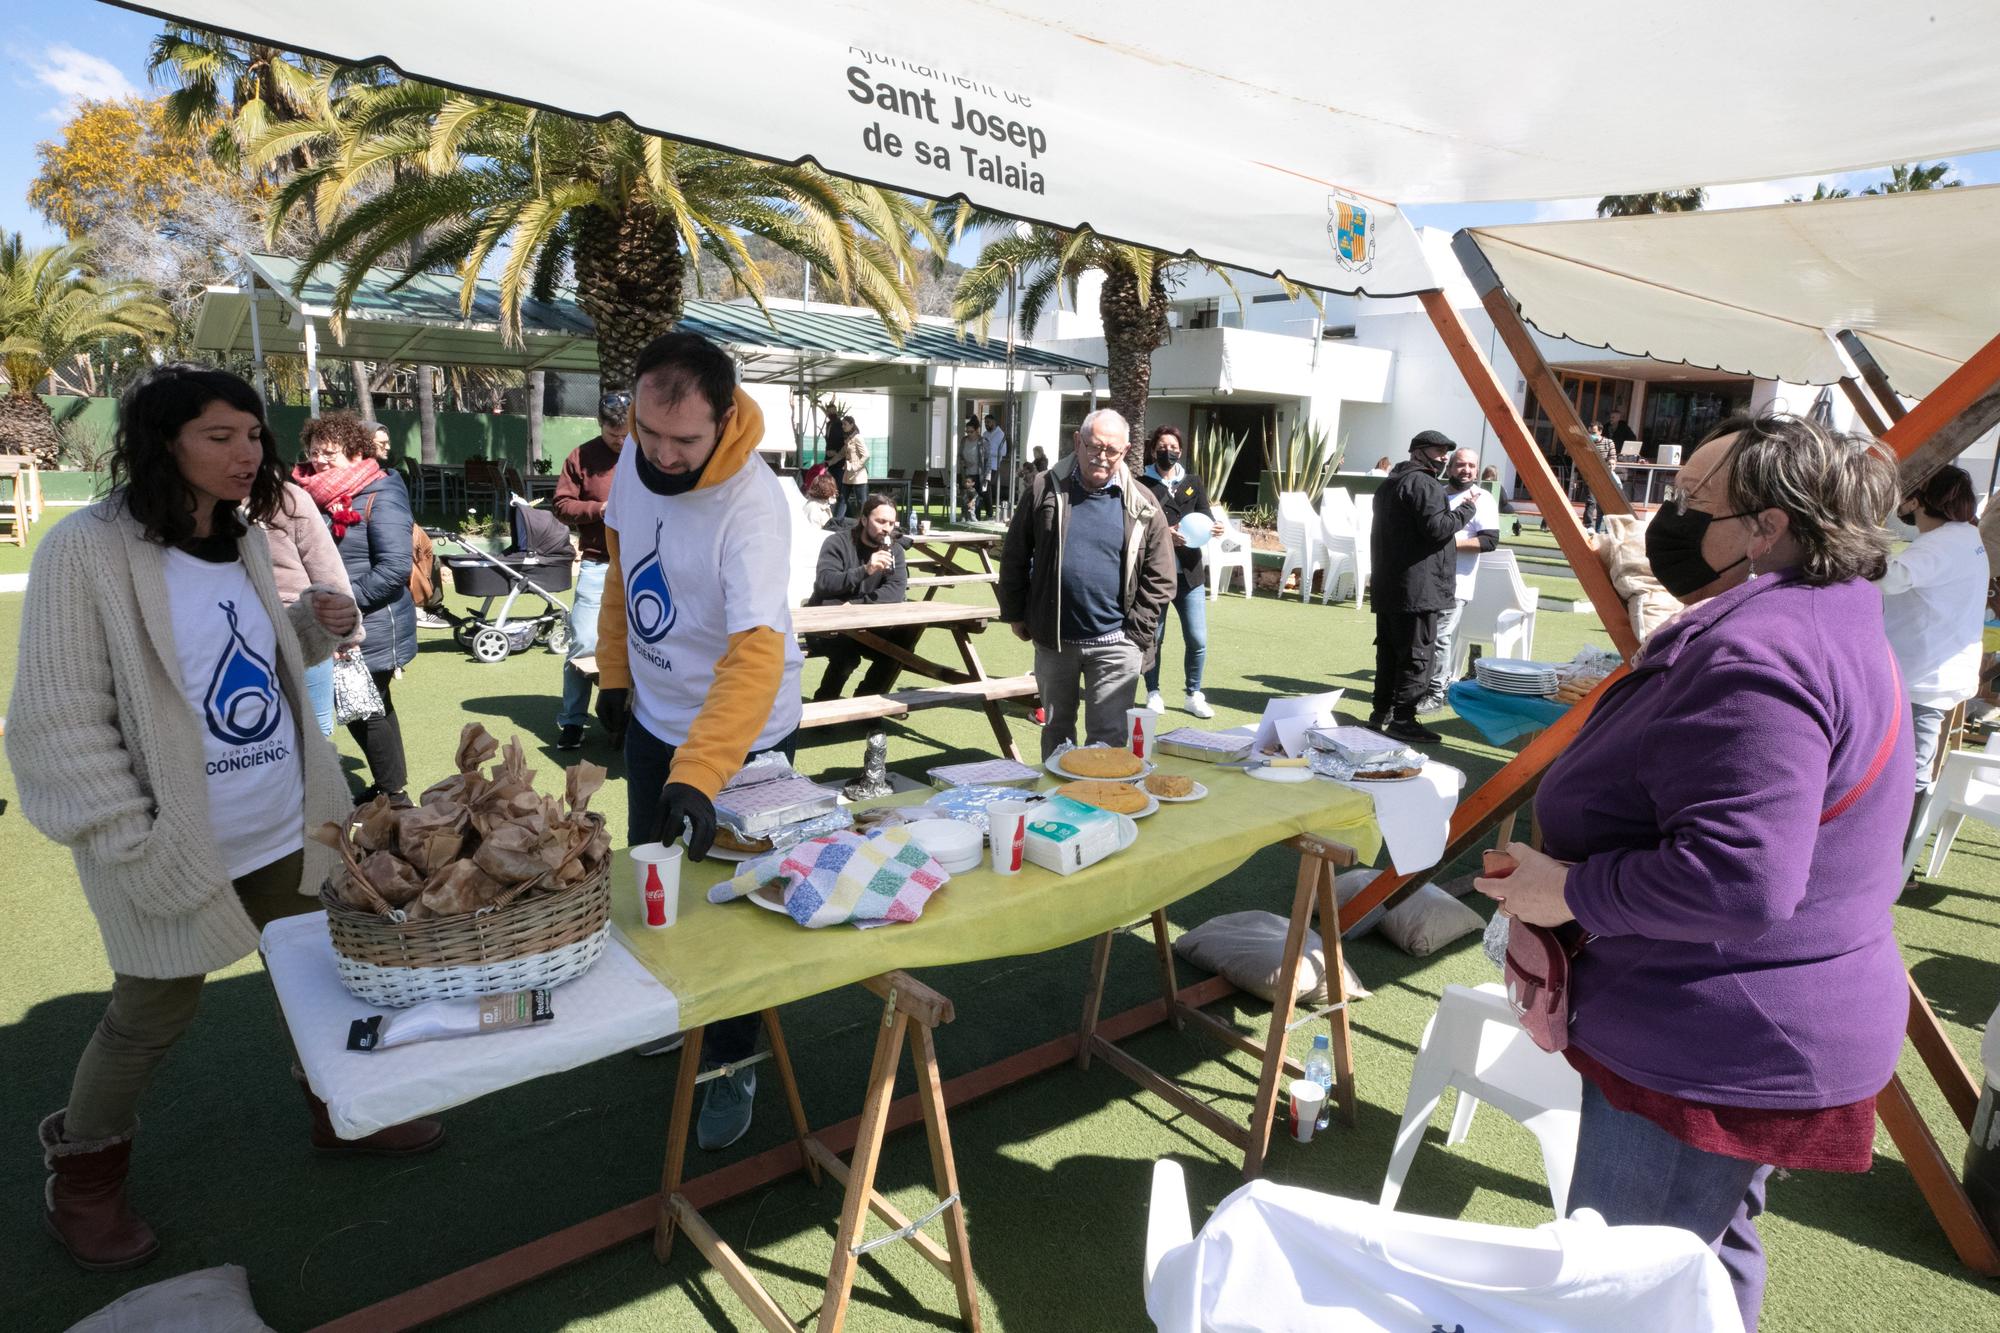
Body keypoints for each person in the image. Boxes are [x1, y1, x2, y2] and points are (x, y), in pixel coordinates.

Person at [1473, 413, 1910, 1332]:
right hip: (1748, 1024)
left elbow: (1740, 878)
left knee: (1622, 1279)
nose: (1664, 518)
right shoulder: (1819, 614)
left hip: (1712, 1041)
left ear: (1768, 527)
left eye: (1691, 502)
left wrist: (1570, 890)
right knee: (1706, 1257)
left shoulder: (1760, 650)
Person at [10, 365, 439, 1274]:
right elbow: (57, 717)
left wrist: (311, 628)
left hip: (285, 821)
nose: (246, 454)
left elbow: (242, 659)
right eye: (220, 436)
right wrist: (125, 838)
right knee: (149, 1011)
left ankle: (340, 1112)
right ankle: (82, 1177)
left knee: (315, 976)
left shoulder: (240, 536)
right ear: (164, 440)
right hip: (171, 840)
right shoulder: (85, 549)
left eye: (253, 435)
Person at [594, 332, 803, 1151]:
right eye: (647, 432)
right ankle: (668, 1007)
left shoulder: (754, 502)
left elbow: (755, 654)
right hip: (656, 722)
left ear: (724, 419)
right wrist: (615, 674)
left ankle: (730, 1057)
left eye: (684, 439)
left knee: (737, 909)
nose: (663, 454)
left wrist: (704, 771)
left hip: (745, 740)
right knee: (655, 885)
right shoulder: (633, 467)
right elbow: (621, 572)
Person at [1000, 408, 1175, 758]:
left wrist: (1135, 635)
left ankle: (1104, 811)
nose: (1102, 457)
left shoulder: (1143, 501)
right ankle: (1054, 809)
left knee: (1108, 744)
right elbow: (1015, 554)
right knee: (1057, 736)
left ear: (1125, 451)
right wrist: (1017, 614)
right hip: (1055, 641)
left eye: (1112, 450)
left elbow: (1161, 575)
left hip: (1116, 643)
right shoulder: (1044, 488)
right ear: (1077, 442)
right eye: (1095, 446)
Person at [295, 411, 417, 803]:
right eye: (315, 452)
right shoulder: (312, 495)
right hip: (341, 620)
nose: (319, 460)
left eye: (330, 453)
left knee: (368, 706)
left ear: (354, 452)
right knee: (368, 704)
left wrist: (342, 607)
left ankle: (394, 797)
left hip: (373, 620)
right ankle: (391, 788)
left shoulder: (381, 494)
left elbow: (395, 568)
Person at [1879, 464, 1988, 866]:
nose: (1903, 503)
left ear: (1924, 500)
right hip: (1932, 670)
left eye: (1911, 494)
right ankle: (1893, 857)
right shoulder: (1964, 536)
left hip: (1921, 677)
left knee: (1912, 774)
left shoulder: (1940, 544)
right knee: (1910, 768)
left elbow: (1892, 578)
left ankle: (1896, 862)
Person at [1369, 430, 1479, 744]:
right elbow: (1438, 528)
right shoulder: (1424, 483)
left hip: (1390, 585)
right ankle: (1403, 718)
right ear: (1418, 452)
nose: (1444, 458)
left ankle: (1381, 714)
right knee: (1416, 656)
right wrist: (1466, 509)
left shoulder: (1389, 483)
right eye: (1439, 451)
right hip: (1416, 588)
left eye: (1446, 452)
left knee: (1389, 654)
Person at [550, 391, 630, 750]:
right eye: (614, 434)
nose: (621, 440)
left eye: (627, 433)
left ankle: (634, 723)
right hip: (599, 562)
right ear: (601, 425)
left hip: (643, 567)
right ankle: (572, 721)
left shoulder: (649, 453)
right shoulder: (581, 456)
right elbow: (561, 505)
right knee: (584, 640)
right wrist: (600, 510)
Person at [259, 477, 358, 736]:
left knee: (318, 725)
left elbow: (327, 568)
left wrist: (345, 633)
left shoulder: (287, 498)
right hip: (242, 634)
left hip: (305, 625)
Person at [1138, 425, 1222, 719]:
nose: (1168, 451)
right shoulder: (1142, 483)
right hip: (1157, 574)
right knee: (1154, 637)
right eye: (1162, 446)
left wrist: (1215, 528)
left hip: (1190, 574)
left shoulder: (1192, 482)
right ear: (1152, 450)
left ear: (1181, 451)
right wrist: (1166, 534)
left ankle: (1193, 694)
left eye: (1173, 447)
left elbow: (1205, 518)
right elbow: (1136, 524)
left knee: (1197, 638)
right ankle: (1153, 692)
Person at [807, 491, 913, 700]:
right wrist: (866, 570)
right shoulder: (838, 543)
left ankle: (867, 702)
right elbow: (825, 583)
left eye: (891, 523)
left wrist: (855, 604)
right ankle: (825, 705)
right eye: (880, 521)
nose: (886, 528)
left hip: (867, 624)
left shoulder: (895, 550)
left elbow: (895, 590)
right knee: (847, 656)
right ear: (864, 519)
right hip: (827, 624)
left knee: (901, 647)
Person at [1422, 448, 1500, 713]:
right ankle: (1420, 688)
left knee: (1441, 637)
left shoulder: (1482, 499)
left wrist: (1449, 544)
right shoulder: (1439, 494)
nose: (1466, 470)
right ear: (1450, 466)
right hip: (1426, 579)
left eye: (1472, 466)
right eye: (1461, 465)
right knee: (1425, 636)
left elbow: (1489, 541)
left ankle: (1437, 693)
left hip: (1457, 582)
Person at [837, 413, 869, 523]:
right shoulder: (847, 439)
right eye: (842, 424)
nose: (843, 426)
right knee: (842, 498)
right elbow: (841, 454)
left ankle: (865, 524)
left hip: (858, 476)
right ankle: (838, 522)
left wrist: (855, 467)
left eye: (845, 424)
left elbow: (866, 455)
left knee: (861, 502)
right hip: (848, 475)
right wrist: (828, 463)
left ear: (852, 425)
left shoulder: (858, 437)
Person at [981, 413, 1008, 518]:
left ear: (994, 422)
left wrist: (988, 452)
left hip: (993, 466)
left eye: (988, 422)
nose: (986, 424)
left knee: (987, 488)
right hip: (983, 465)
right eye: (985, 422)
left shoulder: (1000, 435)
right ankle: (980, 511)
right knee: (982, 489)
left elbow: (1004, 452)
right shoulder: (985, 434)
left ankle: (989, 513)